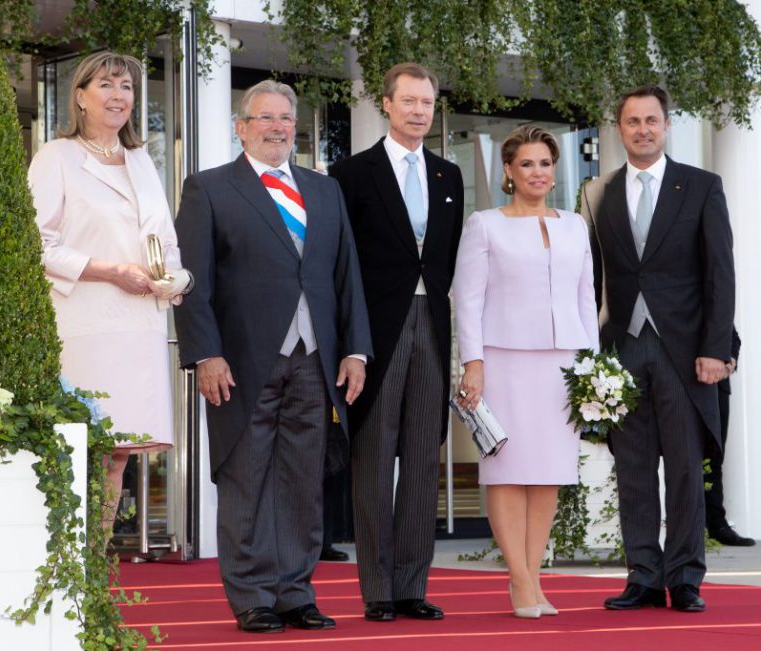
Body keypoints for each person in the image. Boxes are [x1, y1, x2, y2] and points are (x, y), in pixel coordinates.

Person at [173, 79, 372, 634]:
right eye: (265, 118)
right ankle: (253, 595)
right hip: (241, 361)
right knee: (247, 478)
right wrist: (205, 353)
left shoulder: (323, 190)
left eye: (286, 118)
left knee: (302, 480)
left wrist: (355, 349)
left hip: (315, 359)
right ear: (241, 127)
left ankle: (294, 591)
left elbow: (345, 274)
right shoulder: (209, 189)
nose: (278, 127)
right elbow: (193, 283)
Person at [582, 84, 735, 613]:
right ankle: (643, 576)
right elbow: (592, 277)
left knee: (687, 470)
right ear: (619, 128)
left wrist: (716, 348)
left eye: (651, 120)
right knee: (633, 469)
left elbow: (720, 274)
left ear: (666, 126)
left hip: (686, 352)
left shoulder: (701, 187)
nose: (642, 129)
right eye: (632, 122)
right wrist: (591, 353)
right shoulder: (597, 191)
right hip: (623, 350)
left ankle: (686, 577)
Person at [28, 52, 191, 535]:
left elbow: (165, 243)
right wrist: (110, 270)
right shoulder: (57, 157)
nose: (119, 95)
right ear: (80, 96)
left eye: (126, 87)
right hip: (86, 325)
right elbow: (35, 244)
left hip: (139, 326)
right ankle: (65, 574)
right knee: (82, 452)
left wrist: (176, 279)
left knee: (118, 457)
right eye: (107, 84)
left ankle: (92, 576)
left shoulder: (142, 161)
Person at [330, 62, 464, 623]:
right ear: (386, 104)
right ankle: (377, 589)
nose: (418, 112)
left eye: (426, 103)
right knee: (373, 459)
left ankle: (412, 585)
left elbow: (447, 261)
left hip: (431, 324)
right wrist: (350, 342)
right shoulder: (350, 174)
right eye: (408, 101)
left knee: (421, 463)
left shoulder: (449, 177)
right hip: (375, 334)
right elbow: (341, 266)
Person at [454, 125, 600, 618]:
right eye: (527, 164)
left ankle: (533, 578)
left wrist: (594, 367)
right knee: (507, 473)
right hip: (504, 359)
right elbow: (468, 301)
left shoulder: (574, 226)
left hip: (564, 362)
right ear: (509, 173)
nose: (538, 173)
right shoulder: (485, 224)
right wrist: (473, 364)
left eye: (545, 164)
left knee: (548, 476)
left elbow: (586, 296)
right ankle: (519, 581)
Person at [705, 327, 755, 546]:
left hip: (717, 388)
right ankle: (690, 528)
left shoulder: (716, 301)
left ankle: (717, 525)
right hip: (685, 384)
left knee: (714, 457)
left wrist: (730, 361)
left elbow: (733, 336)